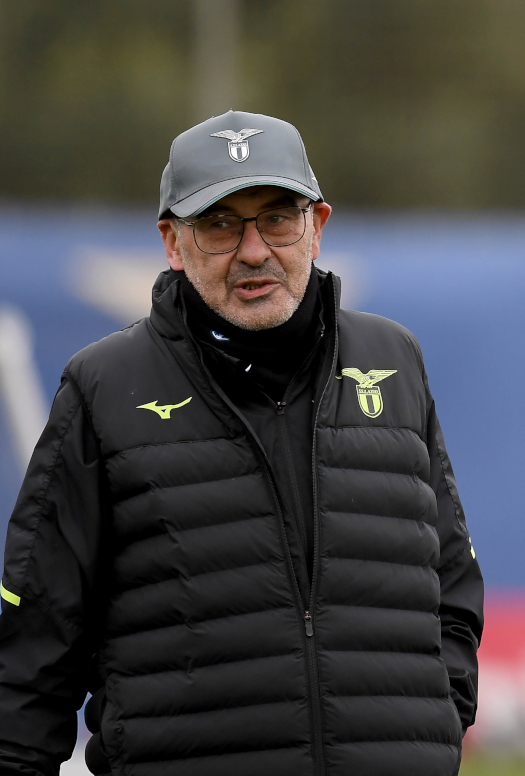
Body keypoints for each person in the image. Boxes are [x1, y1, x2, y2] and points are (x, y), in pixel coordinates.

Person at [0, 111, 484, 776]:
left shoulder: (393, 361)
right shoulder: (103, 388)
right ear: (173, 242)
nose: (254, 250)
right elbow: (32, 653)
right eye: (220, 224)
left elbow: (451, 585)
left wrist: (434, 723)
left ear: (317, 227)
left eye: (278, 218)